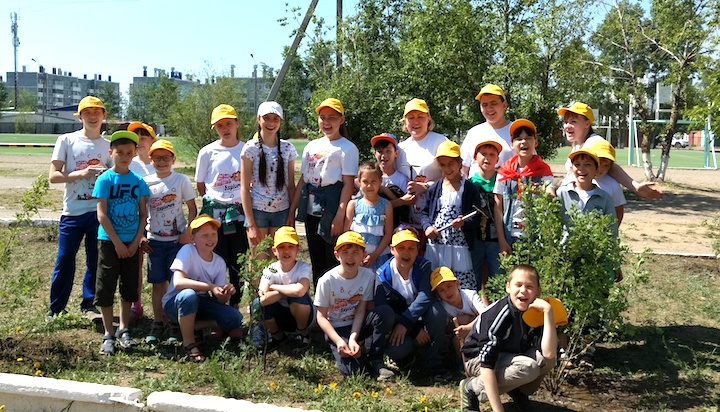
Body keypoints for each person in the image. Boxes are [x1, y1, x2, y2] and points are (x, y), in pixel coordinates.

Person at [47, 96, 112, 318]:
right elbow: (53, 177)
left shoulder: (108, 146)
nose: (92, 117)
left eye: (97, 112)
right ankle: (56, 308)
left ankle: (89, 305)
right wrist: (81, 174)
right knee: (65, 260)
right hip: (72, 213)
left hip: (98, 214)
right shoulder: (66, 140)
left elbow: (115, 178)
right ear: (80, 116)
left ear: (104, 116)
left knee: (95, 261)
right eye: (87, 112)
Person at [460, 264, 558, 412]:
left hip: (509, 355)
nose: (523, 291)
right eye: (518, 285)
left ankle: (517, 392)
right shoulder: (499, 315)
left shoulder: (536, 313)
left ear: (538, 291)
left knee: (548, 360)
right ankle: (471, 388)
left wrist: (548, 312)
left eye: (530, 287)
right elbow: (486, 364)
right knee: (528, 368)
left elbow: (549, 354)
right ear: (508, 287)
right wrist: (498, 409)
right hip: (478, 359)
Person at [288, 98, 359, 285]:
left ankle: (335, 302)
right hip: (311, 209)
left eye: (332, 118)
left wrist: (339, 215)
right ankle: (320, 303)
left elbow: (348, 184)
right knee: (316, 256)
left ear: (341, 120)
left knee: (332, 258)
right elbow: (303, 180)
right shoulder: (312, 146)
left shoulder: (348, 148)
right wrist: (292, 211)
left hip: (332, 209)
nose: (327, 123)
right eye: (323, 118)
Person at [92, 130, 150, 355]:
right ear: (111, 153)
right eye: (120, 152)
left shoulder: (138, 182)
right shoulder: (105, 179)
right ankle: (108, 332)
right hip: (109, 242)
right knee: (106, 286)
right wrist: (116, 242)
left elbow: (143, 214)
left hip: (132, 243)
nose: (124, 156)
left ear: (134, 154)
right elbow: (102, 215)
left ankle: (124, 328)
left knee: (129, 287)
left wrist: (136, 241)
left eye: (129, 153)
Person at [314, 231, 396, 381]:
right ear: (337, 255)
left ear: (364, 254)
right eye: (345, 252)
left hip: (357, 325)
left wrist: (353, 338)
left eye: (355, 252)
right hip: (336, 328)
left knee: (385, 312)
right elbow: (321, 317)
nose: (350, 257)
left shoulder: (368, 276)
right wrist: (339, 341)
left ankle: (376, 359)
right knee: (355, 374)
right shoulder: (326, 281)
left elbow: (361, 309)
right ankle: (347, 351)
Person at [162, 215, 244, 363]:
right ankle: (189, 344)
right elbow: (179, 282)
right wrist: (211, 286)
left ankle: (189, 325)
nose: (210, 239)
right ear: (193, 238)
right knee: (189, 295)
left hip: (201, 303)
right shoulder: (187, 250)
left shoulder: (219, 261)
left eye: (213, 235)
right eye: (204, 236)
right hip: (175, 303)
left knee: (235, 318)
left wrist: (225, 292)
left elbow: (221, 300)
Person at [374, 227, 451, 383]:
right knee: (398, 350)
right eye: (401, 248)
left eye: (411, 248)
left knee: (438, 312)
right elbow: (383, 308)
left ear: (418, 250)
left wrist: (407, 322)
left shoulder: (423, 266)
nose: (406, 253)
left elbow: (425, 296)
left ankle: (435, 361)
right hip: (398, 321)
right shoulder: (381, 275)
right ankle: (402, 357)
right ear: (392, 250)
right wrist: (412, 328)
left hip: (416, 316)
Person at [141, 139, 197, 344]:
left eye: (166, 158)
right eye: (157, 158)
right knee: (158, 284)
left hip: (177, 242)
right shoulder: (145, 183)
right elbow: (141, 212)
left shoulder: (180, 180)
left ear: (173, 159)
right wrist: (142, 236)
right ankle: (158, 321)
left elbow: (192, 208)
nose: (162, 162)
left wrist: (187, 233)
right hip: (154, 241)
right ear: (151, 159)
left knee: (175, 284)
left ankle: (174, 321)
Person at [195, 104, 248, 308]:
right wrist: (214, 200)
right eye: (220, 126)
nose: (225, 129)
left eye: (228, 124)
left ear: (236, 123)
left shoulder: (246, 149)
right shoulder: (207, 152)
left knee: (237, 260)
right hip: (214, 215)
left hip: (238, 214)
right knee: (214, 258)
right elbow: (201, 183)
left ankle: (233, 305)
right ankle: (214, 305)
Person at [558, 102, 662, 201]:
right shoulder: (579, 144)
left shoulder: (594, 143)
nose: (567, 126)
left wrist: (634, 186)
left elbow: (611, 167)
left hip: (595, 201)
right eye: (566, 122)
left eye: (573, 122)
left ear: (587, 123)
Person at [421, 140, 486, 291]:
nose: (447, 168)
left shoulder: (469, 189)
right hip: (437, 243)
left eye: (450, 163)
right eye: (443, 165)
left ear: (459, 163)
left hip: (459, 245)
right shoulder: (435, 188)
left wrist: (464, 223)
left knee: (461, 284)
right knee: (437, 280)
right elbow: (425, 213)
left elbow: (477, 217)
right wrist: (427, 227)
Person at [240, 101, 298, 260]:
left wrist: (291, 213)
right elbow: (244, 188)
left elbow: (291, 186)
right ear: (259, 119)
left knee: (277, 262)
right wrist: (251, 224)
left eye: (275, 119)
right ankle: (255, 286)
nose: (271, 123)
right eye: (267, 118)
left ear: (280, 122)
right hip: (258, 211)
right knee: (259, 260)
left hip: (281, 211)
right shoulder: (249, 148)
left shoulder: (288, 149)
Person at [494, 119, 555, 255]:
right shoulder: (505, 171)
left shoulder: (543, 170)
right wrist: (502, 241)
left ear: (535, 142)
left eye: (528, 138)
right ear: (512, 144)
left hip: (535, 238)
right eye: (518, 139)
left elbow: (551, 196)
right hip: (510, 235)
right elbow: (498, 206)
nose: (523, 142)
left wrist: (539, 191)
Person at [395, 98, 448, 238]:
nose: (415, 122)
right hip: (405, 219)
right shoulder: (400, 148)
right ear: (405, 121)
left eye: (420, 117)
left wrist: (426, 186)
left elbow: (454, 176)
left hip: (435, 216)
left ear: (428, 119)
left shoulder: (440, 142)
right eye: (411, 118)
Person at [257, 226, 314, 350]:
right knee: (256, 306)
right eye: (281, 247)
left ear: (298, 249)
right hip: (280, 315)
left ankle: (303, 333)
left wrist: (274, 287)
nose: (286, 251)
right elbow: (262, 298)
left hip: (303, 315)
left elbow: (300, 291)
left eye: (291, 246)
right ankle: (278, 336)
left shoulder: (303, 266)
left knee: (298, 299)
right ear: (274, 251)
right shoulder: (270, 269)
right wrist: (288, 292)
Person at [126, 121, 157, 324]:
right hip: (135, 221)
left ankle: (163, 307)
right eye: (135, 138)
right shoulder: (130, 164)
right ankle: (135, 304)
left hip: (159, 222)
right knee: (135, 265)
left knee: (159, 267)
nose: (139, 142)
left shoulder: (160, 162)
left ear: (153, 141)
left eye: (143, 137)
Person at [468, 138, 503, 294]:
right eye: (483, 154)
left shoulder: (502, 181)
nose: (487, 158)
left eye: (492, 154)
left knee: (498, 278)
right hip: (475, 239)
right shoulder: (470, 184)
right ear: (475, 157)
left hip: (497, 238)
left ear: (497, 159)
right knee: (473, 277)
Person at [345, 162, 393, 271]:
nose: (369, 186)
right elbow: (347, 233)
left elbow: (388, 233)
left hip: (378, 257)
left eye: (373, 181)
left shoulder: (386, 205)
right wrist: (355, 255)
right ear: (358, 182)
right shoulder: (353, 204)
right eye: (365, 182)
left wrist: (375, 255)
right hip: (356, 259)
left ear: (380, 181)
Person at [461, 84, 514, 178]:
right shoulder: (473, 133)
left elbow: (531, 164)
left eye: (494, 103)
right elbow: (463, 169)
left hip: (509, 191)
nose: (489, 108)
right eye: (484, 105)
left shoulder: (516, 131)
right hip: (476, 190)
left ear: (504, 105)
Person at [430, 266, 485, 345]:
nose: (447, 292)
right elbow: (446, 329)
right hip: (461, 336)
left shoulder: (470, 296)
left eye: (449, 286)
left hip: (480, 329)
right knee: (457, 340)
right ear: (437, 294)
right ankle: (460, 357)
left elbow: (485, 313)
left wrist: (469, 325)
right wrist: (454, 323)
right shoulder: (442, 307)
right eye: (441, 290)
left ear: (457, 284)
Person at [371, 133, 412, 227]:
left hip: (396, 226)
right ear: (375, 154)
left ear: (396, 153)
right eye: (380, 151)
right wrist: (400, 201)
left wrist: (385, 190)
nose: (384, 156)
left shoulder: (402, 179)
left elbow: (408, 202)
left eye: (388, 151)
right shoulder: (370, 177)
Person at [587, 139, 626, 225]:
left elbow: (619, 210)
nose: (601, 169)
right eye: (599, 163)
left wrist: (613, 231)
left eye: (606, 165)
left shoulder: (612, 184)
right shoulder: (579, 179)